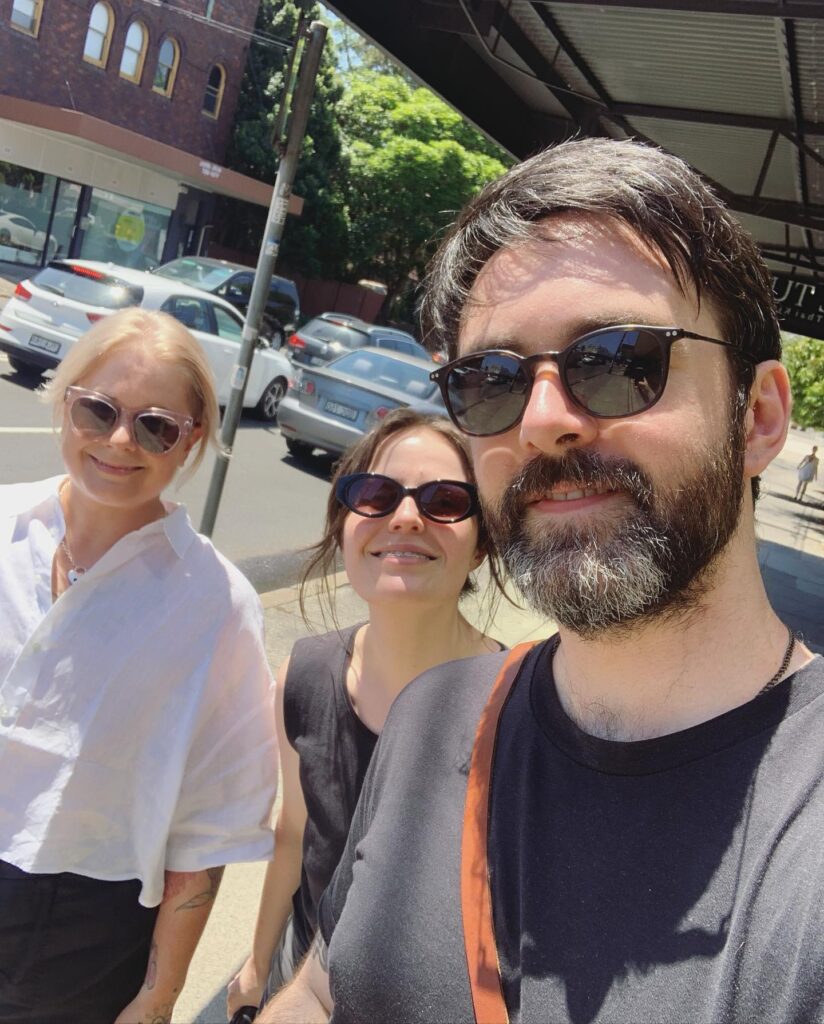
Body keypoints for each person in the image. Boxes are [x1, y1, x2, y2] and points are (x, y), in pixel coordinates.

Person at [259, 137, 824, 1024]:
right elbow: (335, 984)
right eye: (490, 381)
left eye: (618, 359)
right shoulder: (434, 717)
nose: (543, 420)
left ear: (757, 418)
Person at [0, 308, 278, 1024]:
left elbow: (210, 823)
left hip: (79, 931)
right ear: (65, 402)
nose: (120, 441)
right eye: (98, 410)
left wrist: (159, 996)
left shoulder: (216, 603)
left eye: (156, 426)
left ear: (191, 440)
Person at [225, 408, 504, 1022]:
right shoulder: (302, 678)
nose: (406, 516)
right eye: (376, 495)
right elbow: (296, 836)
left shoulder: (512, 713)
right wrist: (255, 963)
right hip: (301, 978)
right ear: (346, 523)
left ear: (483, 543)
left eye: (446, 500)